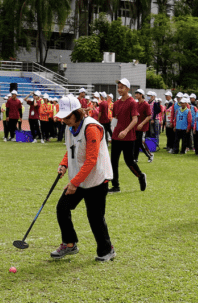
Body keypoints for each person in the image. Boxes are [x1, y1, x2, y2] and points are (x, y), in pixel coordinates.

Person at [50, 94, 115, 262]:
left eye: (68, 116)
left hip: (96, 180)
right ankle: (70, 244)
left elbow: (91, 159)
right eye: (63, 117)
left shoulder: (91, 128)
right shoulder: (69, 127)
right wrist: (64, 164)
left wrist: (74, 182)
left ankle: (107, 250)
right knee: (62, 207)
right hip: (79, 179)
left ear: (77, 113)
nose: (64, 120)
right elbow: (70, 148)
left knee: (95, 217)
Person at [109, 79, 146, 193]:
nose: (119, 89)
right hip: (116, 137)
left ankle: (140, 176)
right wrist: (112, 133)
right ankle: (116, 186)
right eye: (118, 87)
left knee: (129, 161)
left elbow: (135, 120)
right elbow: (115, 119)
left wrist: (125, 131)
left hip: (128, 137)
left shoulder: (132, 103)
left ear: (128, 89)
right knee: (113, 162)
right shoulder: (116, 103)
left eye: (122, 87)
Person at [135, 89, 153, 163]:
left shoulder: (146, 104)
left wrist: (142, 124)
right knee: (136, 142)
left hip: (143, 127)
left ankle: (150, 155)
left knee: (141, 142)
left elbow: (149, 116)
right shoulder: (136, 104)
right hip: (136, 126)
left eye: (137, 94)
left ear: (141, 95)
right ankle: (135, 158)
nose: (135, 95)